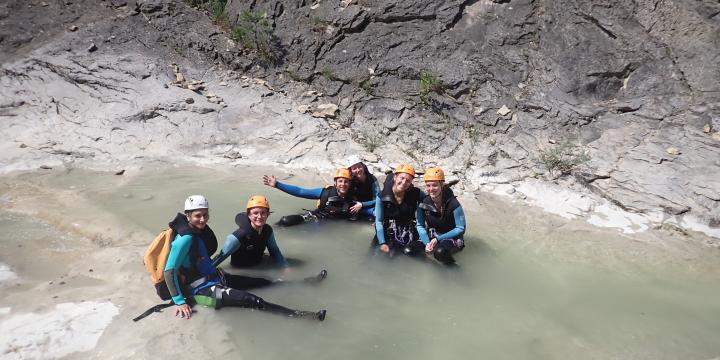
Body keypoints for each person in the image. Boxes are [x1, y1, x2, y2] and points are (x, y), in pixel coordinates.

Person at [164, 195, 326, 321]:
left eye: (205, 215)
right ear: (187, 216)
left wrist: (214, 269)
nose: (203, 219)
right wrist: (179, 301)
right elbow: (169, 271)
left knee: (262, 282)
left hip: (214, 278)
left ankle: (304, 282)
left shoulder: (198, 231)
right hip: (200, 290)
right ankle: (302, 315)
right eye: (198, 216)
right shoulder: (185, 238)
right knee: (252, 300)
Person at [263, 169, 365, 226]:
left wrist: (363, 205)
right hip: (315, 218)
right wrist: (277, 184)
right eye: (340, 181)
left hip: (331, 227)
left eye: (346, 181)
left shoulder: (353, 201)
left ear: (350, 184)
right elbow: (300, 191)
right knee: (285, 221)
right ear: (335, 183)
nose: (343, 184)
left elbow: (368, 210)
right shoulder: (326, 192)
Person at [212, 195, 289, 269]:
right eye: (255, 213)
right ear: (248, 215)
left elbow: (275, 252)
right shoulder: (238, 237)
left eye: (263, 213)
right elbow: (219, 258)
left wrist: (285, 267)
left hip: (260, 264)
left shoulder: (267, 230)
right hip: (240, 271)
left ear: (268, 214)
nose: (259, 216)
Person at [372, 164, 426, 256]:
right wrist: (382, 243)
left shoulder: (416, 193)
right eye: (402, 178)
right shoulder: (382, 196)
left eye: (408, 180)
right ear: (395, 177)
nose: (404, 182)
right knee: (373, 253)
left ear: (411, 183)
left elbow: (430, 200)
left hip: (406, 229)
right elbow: (379, 221)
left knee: (394, 254)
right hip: (387, 228)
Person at [417, 167, 466, 264]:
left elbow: (460, 228)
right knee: (409, 250)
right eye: (428, 186)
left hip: (451, 238)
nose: (431, 189)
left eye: (435, 185)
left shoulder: (453, 203)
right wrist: (427, 243)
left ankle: (454, 269)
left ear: (441, 184)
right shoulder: (423, 203)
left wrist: (438, 239)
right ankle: (433, 266)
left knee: (440, 252)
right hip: (432, 236)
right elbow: (420, 225)